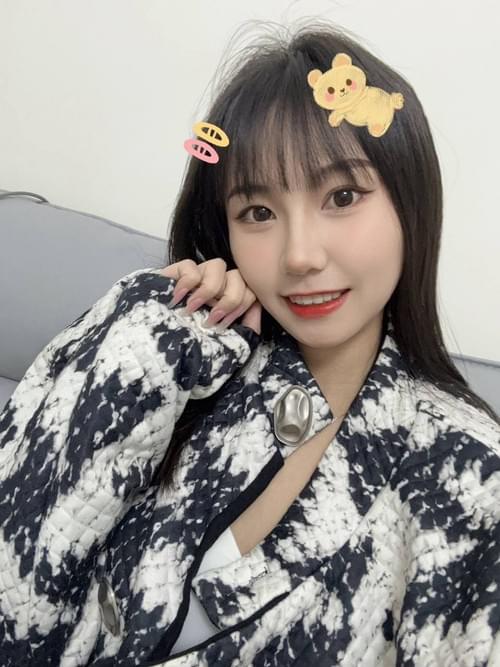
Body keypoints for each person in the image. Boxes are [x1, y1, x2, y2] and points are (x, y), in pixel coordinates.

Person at [1, 18, 499, 667]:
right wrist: (150, 327)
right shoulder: (193, 358)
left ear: (411, 203)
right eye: (257, 212)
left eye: (342, 195)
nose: (299, 255)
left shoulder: (467, 479)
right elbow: (21, 576)